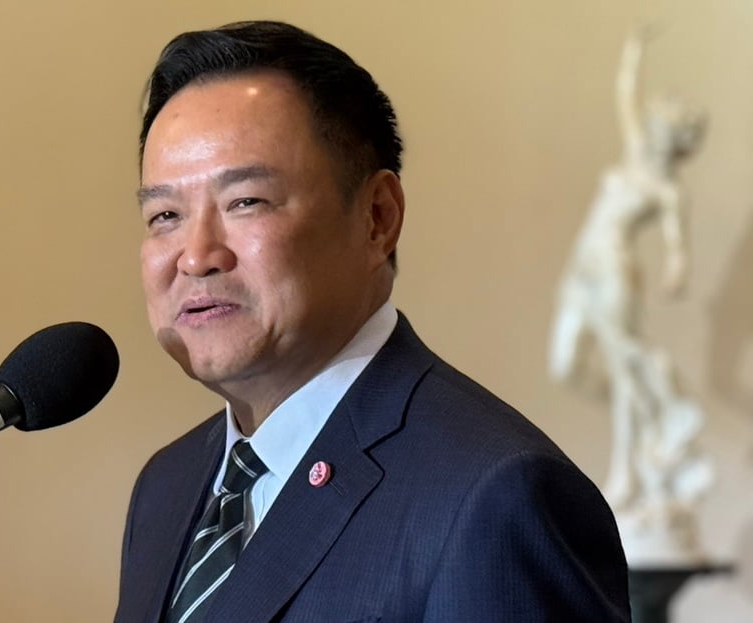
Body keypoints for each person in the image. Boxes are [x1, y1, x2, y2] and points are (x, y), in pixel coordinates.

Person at [116, 20, 630, 623]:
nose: (196, 256)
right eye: (165, 216)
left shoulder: (495, 497)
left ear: (377, 218)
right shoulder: (168, 484)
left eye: (245, 201)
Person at [548, 29, 710, 562]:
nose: (657, 137)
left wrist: (677, 270)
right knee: (567, 365)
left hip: (617, 273)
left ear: (678, 144)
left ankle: (627, 470)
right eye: (657, 128)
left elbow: (679, 248)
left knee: (625, 368)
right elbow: (626, 92)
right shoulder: (635, 148)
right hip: (581, 268)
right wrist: (635, 51)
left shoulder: (669, 191)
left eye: (668, 134)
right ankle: (645, 420)